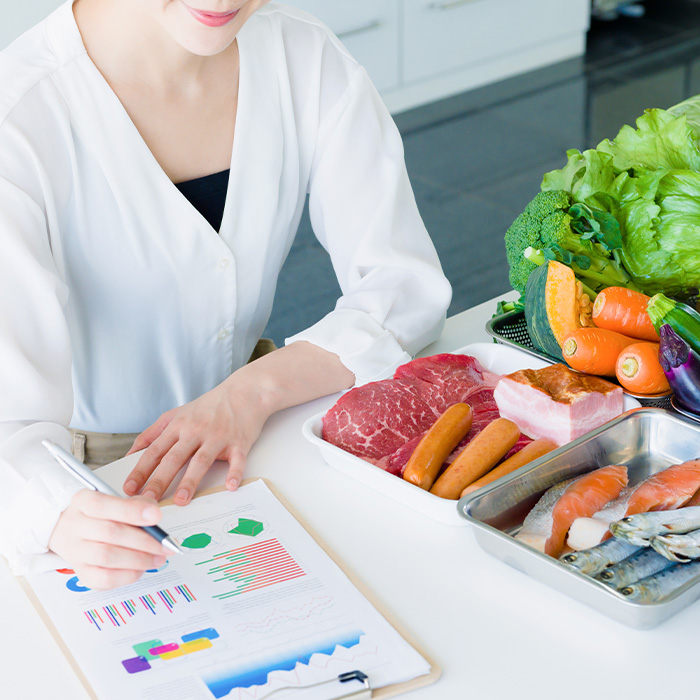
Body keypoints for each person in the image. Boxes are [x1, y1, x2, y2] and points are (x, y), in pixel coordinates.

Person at [0, 0, 451, 590]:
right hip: (94, 485)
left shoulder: (303, 56)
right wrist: (51, 509)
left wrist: (251, 392)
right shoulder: (21, 116)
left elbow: (405, 287)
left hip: (259, 436)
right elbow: (11, 425)